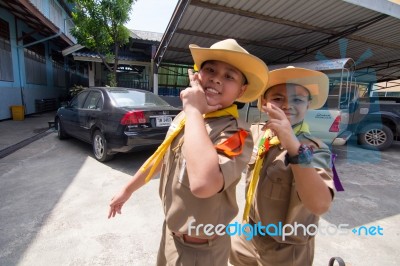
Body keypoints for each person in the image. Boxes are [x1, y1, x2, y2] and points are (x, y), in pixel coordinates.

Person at [108, 39, 269, 266]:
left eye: (229, 76)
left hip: (201, 250)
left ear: (241, 90)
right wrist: (128, 189)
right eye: (210, 70)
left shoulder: (236, 133)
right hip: (171, 235)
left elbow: (204, 184)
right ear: (196, 76)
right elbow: (162, 159)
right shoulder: (186, 118)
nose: (215, 78)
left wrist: (193, 109)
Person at [229, 66, 335, 266]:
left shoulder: (315, 149)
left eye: (297, 99)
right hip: (247, 234)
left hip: (285, 248)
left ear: (308, 105)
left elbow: (320, 205)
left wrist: (294, 147)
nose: (287, 105)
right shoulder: (258, 132)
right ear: (264, 103)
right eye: (278, 98)